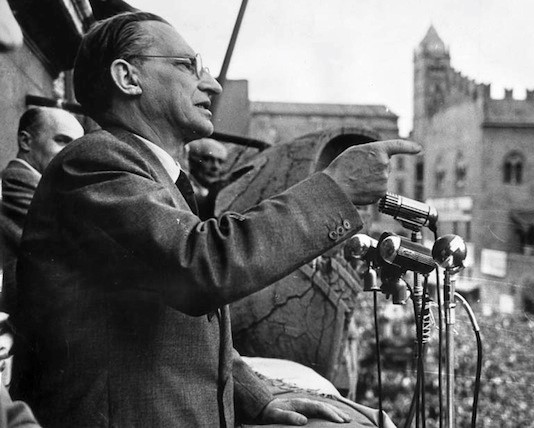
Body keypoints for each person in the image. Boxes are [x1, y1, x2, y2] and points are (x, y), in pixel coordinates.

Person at [11, 11, 420, 428]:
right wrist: (335, 189)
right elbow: (199, 267)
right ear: (128, 78)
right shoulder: (94, 162)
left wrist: (258, 400)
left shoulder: (147, 173)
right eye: (188, 67)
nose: (212, 84)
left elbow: (186, 335)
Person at [0, 107, 84, 314]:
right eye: (62, 141)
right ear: (26, 141)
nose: (72, 153)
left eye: (77, 146)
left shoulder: (46, 189)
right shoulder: (16, 183)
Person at [188, 137, 229, 219]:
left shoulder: (220, 191)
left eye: (220, 162)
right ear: (192, 161)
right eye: (208, 159)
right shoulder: (184, 190)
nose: (216, 167)